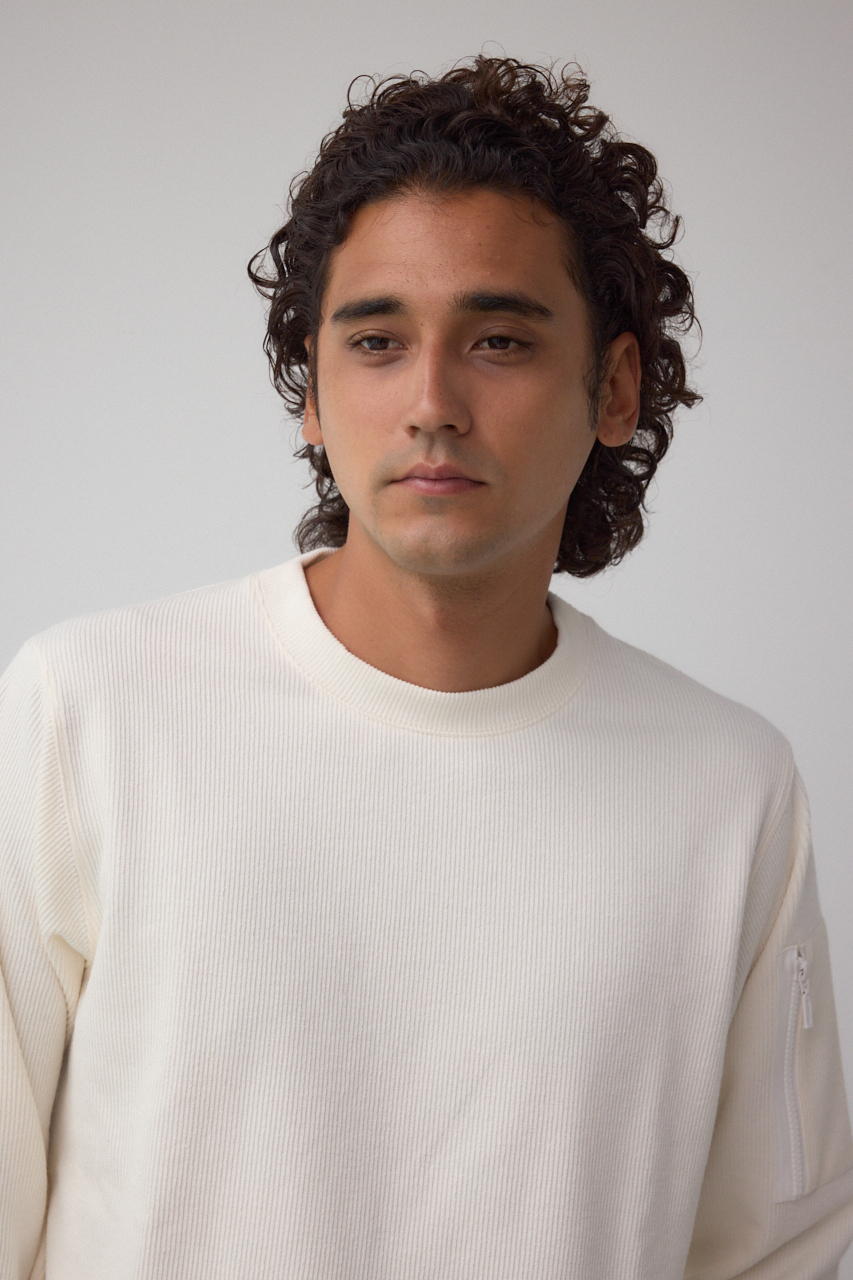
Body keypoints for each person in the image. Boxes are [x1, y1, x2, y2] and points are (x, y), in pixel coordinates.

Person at [1, 55, 851, 1280]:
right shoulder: (89, 711)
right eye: (377, 340)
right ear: (311, 389)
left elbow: (777, 1252)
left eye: (498, 339)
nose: (432, 401)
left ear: (613, 387)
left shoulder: (730, 786)